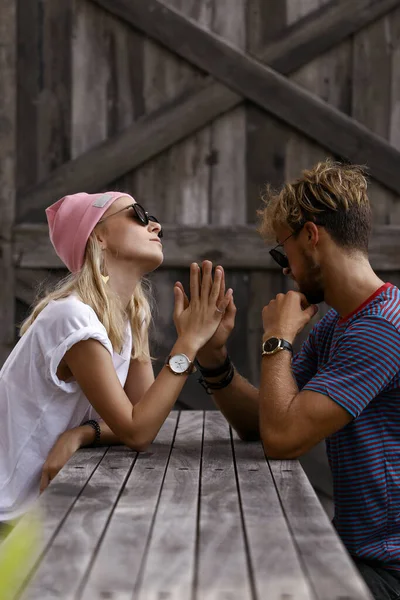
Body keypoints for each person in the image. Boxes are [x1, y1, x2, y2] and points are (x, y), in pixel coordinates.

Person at [186, 159, 400, 600]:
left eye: (283, 252)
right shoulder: (340, 323)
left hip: (388, 569)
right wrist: (213, 356)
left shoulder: (381, 328)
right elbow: (263, 422)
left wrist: (278, 337)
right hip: (355, 550)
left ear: (311, 236)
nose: (286, 269)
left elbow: (283, 439)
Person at [0, 191, 232, 525]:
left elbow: (144, 418)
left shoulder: (127, 318)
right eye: (138, 214)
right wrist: (189, 343)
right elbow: (137, 431)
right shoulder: (72, 317)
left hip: (37, 512)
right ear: (98, 235)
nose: (156, 225)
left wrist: (82, 433)